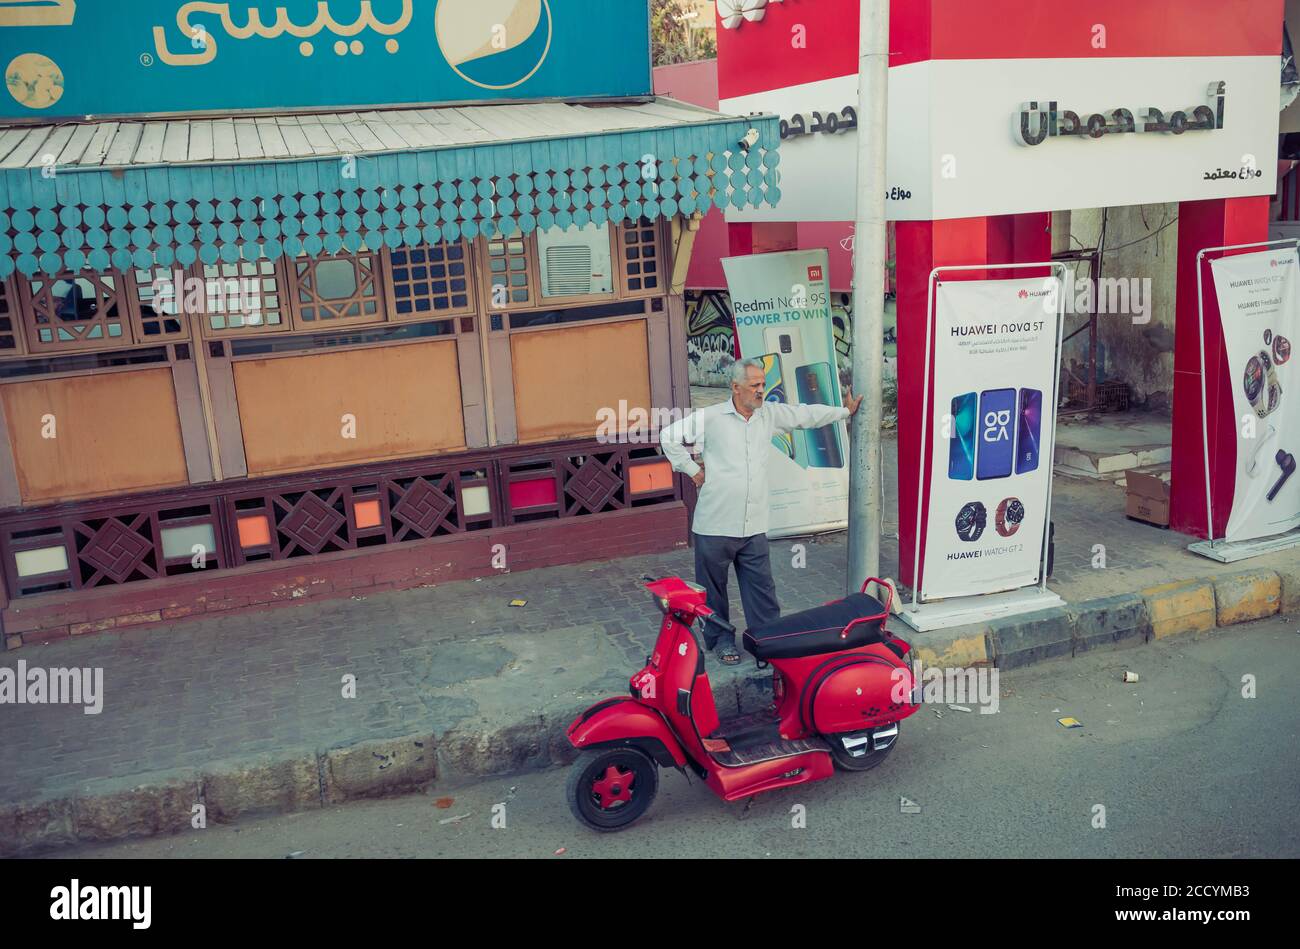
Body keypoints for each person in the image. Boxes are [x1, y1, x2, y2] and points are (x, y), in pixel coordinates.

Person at [659, 357, 863, 664]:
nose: (760, 391)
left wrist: (844, 412)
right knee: (712, 593)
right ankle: (721, 642)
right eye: (754, 385)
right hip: (715, 524)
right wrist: (690, 469)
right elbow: (668, 437)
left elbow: (803, 415)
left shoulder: (768, 415)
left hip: (753, 525)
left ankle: (767, 643)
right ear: (735, 387)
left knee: (762, 593)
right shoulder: (711, 417)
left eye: (763, 385)